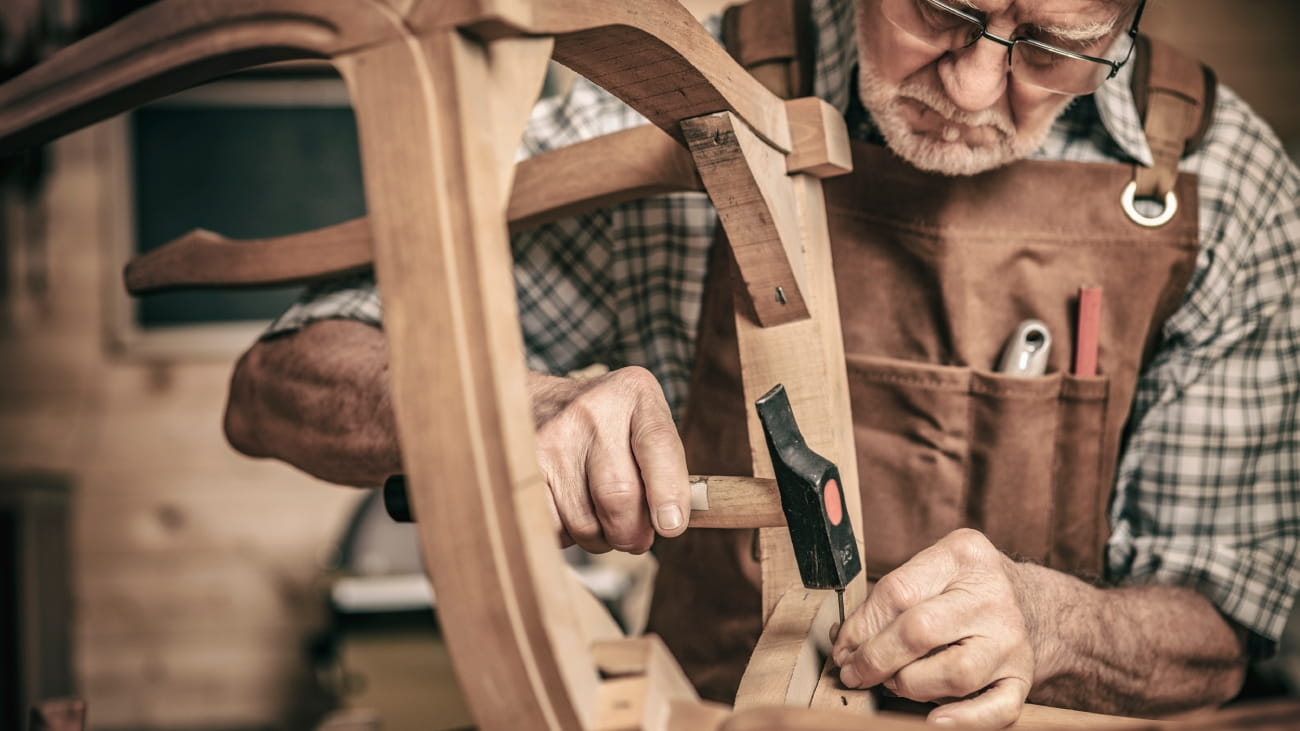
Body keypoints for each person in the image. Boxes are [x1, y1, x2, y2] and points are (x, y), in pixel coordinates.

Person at [223, 0, 1300, 726]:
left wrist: (1056, 622)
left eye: (1052, 47)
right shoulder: (678, 92)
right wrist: (511, 406)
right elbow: (279, 380)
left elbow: (1229, 614)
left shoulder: (1225, 182)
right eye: (939, 7)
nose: (975, 87)